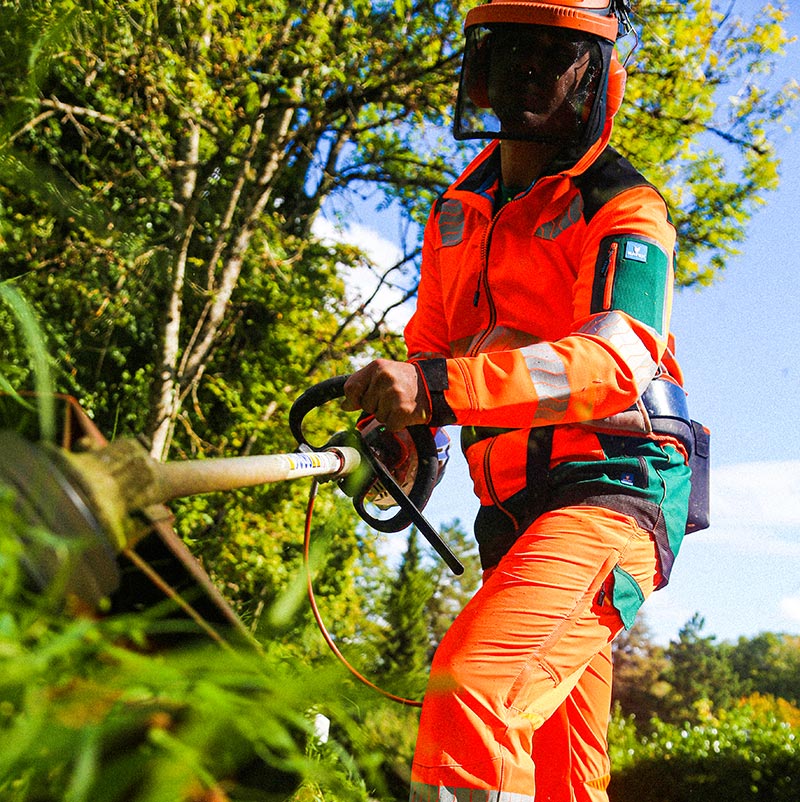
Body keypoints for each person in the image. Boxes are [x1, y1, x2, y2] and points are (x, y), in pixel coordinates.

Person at [343, 1, 701, 799]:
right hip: (514, 517)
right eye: (514, 49)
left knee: (470, 692)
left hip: (613, 496)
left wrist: (438, 388)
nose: (533, 68)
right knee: (565, 780)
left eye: (557, 51)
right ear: (481, 66)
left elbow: (611, 360)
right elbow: (425, 367)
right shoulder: (454, 215)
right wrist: (402, 438)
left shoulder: (625, 210)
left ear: (597, 74)